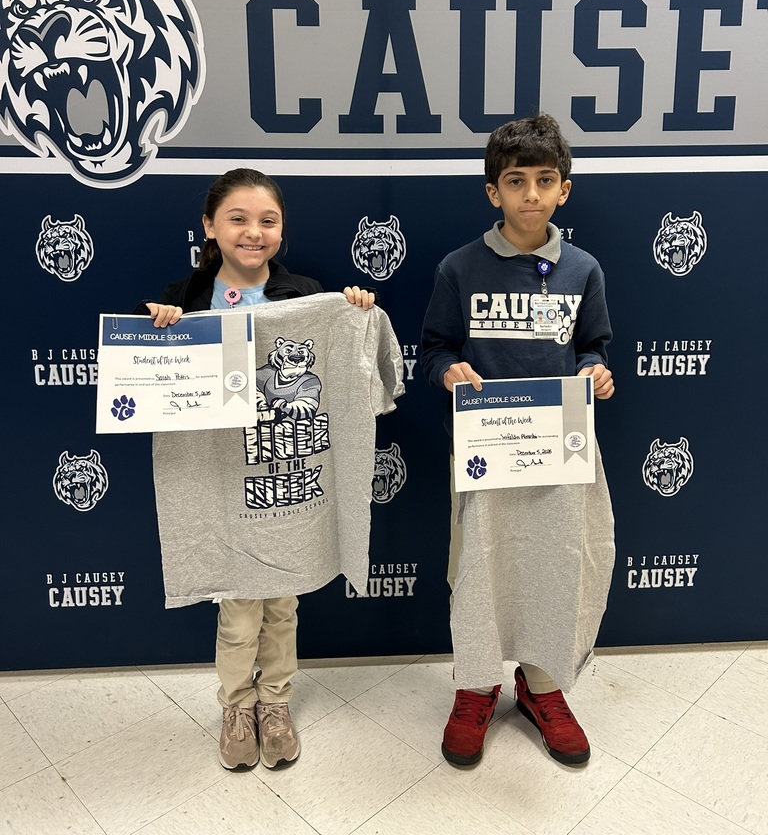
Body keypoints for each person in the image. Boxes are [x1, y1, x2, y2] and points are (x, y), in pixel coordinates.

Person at [137, 167, 374, 773]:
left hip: (283, 475)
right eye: (237, 219)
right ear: (209, 227)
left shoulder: (307, 297)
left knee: (283, 605)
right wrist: (159, 329)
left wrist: (353, 312)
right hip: (223, 488)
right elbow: (147, 387)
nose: (253, 232)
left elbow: (344, 360)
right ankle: (237, 705)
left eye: (267, 221)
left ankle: (277, 703)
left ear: (282, 230)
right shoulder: (182, 300)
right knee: (238, 610)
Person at [421, 114, 615, 768]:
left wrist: (595, 369)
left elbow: (593, 344)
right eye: (515, 181)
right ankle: (476, 686)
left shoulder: (583, 269)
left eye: (544, 180)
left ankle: (542, 685)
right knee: (478, 572)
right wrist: (449, 370)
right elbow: (437, 348)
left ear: (564, 189)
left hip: (557, 448)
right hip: (485, 450)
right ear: (492, 192)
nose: (530, 194)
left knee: (553, 568)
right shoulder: (459, 267)